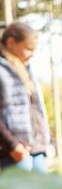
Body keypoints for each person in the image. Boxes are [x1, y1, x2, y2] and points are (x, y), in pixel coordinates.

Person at [0, 22, 50, 173]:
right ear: (11, 42)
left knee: (41, 177)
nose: (32, 54)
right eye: (28, 48)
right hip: (10, 149)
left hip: (35, 147)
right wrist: (13, 145)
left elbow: (36, 109)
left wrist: (48, 141)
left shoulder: (28, 70)